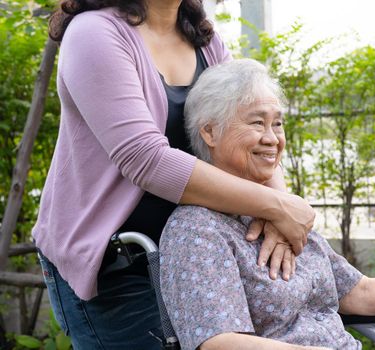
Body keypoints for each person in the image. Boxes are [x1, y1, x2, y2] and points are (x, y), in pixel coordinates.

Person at [159, 59, 375, 350]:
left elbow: (359, 290)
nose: (272, 138)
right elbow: (220, 343)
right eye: (256, 123)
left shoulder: (282, 214)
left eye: (278, 124)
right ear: (210, 133)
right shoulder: (197, 229)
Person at [33, 1, 315, 349]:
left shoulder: (204, 40)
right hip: (117, 268)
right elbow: (145, 159)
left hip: (194, 260)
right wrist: (276, 206)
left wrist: (279, 208)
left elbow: (247, 129)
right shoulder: (94, 33)